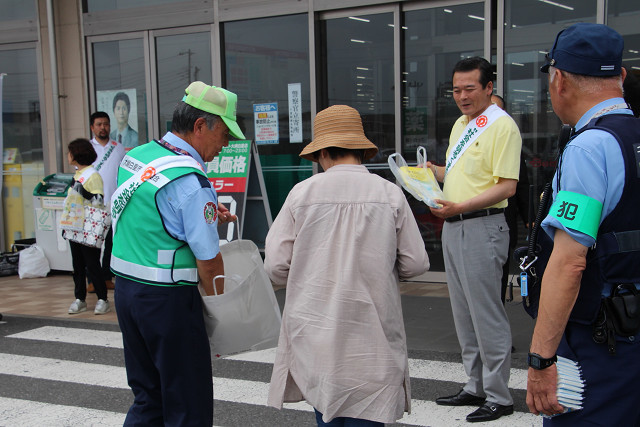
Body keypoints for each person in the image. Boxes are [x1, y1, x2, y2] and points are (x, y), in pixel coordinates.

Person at [265, 105, 430, 426]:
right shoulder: (390, 194)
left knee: (327, 411)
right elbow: (416, 263)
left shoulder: (301, 194)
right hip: (373, 335)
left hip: (316, 330)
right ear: (361, 150)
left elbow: (276, 266)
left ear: (323, 152)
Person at [111, 81, 243, 426]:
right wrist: (221, 310)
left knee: (148, 398)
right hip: (168, 303)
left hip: (127, 292)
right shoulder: (192, 180)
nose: (226, 144)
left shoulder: (137, 156)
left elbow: (152, 214)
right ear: (200, 126)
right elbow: (209, 262)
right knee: (188, 403)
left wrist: (208, 214)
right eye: (225, 133)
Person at [527, 23, 640, 425]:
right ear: (621, 76)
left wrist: (541, 359)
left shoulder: (590, 148)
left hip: (602, 338)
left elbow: (571, 260)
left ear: (558, 79)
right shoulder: (633, 136)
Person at [427, 57, 521, 422]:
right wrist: (428, 172)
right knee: (463, 312)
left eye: (469, 89)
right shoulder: (460, 125)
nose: (462, 96)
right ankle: (474, 385)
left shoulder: (502, 127)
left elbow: (506, 186)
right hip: (454, 225)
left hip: (483, 225)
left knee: (487, 314)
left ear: (488, 88)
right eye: (456, 90)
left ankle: (500, 395)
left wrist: (459, 205)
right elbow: (457, 172)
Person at [61, 138, 110, 315]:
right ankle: (79, 298)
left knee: (92, 264)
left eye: (70, 152)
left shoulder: (92, 175)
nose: (68, 156)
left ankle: (102, 299)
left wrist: (83, 191)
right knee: (78, 265)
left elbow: (98, 201)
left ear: (76, 154)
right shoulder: (77, 174)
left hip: (87, 227)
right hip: (74, 226)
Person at [491, 94, 530, 305]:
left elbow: (521, 184)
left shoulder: (509, 141)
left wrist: (528, 217)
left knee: (501, 270)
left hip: (503, 220)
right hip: (474, 222)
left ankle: (497, 309)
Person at [88, 111, 125, 291]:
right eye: (99, 124)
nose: (103, 127)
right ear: (92, 127)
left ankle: (106, 276)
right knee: (92, 243)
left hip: (113, 202)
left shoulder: (118, 147)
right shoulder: (87, 148)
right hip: (93, 205)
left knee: (111, 242)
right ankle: (92, 280)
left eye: (106, 124)